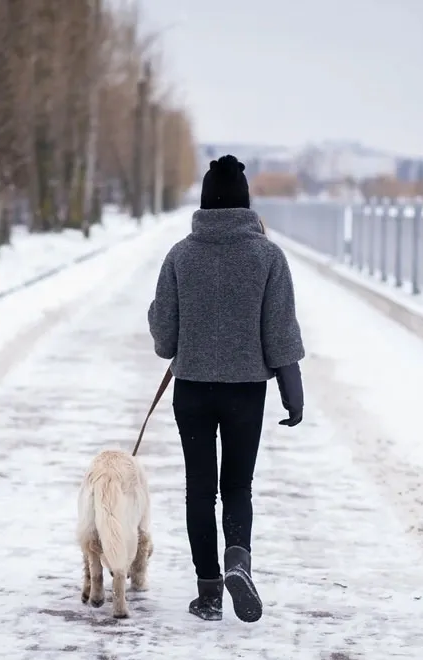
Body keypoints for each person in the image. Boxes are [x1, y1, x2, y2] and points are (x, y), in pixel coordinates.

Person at [147, 154, 305, 623]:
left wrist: (168, 326)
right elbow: (280, 331)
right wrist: (292, 394)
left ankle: (209, 592)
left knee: (200, 488)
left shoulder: (180, 254)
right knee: (237, 485)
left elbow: (164, 338)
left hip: (192, 390)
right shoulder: (268, 256)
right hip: (245, 393)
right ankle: (239, 559)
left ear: (204, 203)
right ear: (245, 205)